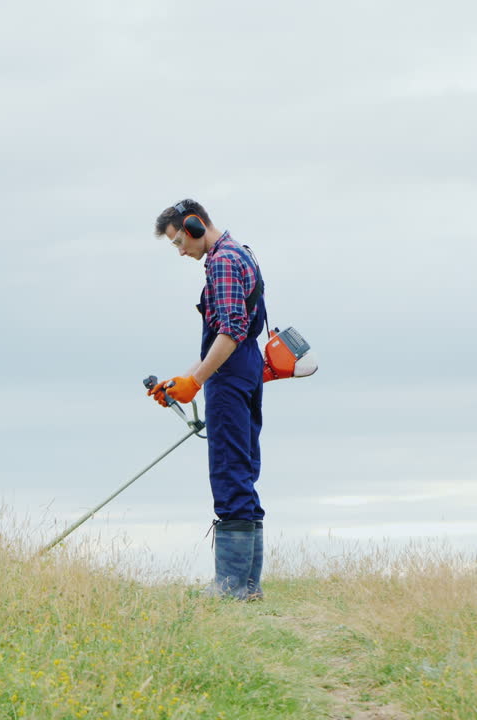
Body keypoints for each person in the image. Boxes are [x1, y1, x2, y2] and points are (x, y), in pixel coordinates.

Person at [148, 199, 267, 601]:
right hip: (244, 370)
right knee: (243, 472)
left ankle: (232, 587)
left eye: (180, 240)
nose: (181, 250)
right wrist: (182, 380)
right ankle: (248, 586)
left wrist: (195, 382)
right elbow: (231, 334)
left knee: (230, 473)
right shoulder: (242, 254)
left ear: (195, 226)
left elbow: (230, 332)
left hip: (231, 376)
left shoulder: (222, 261)